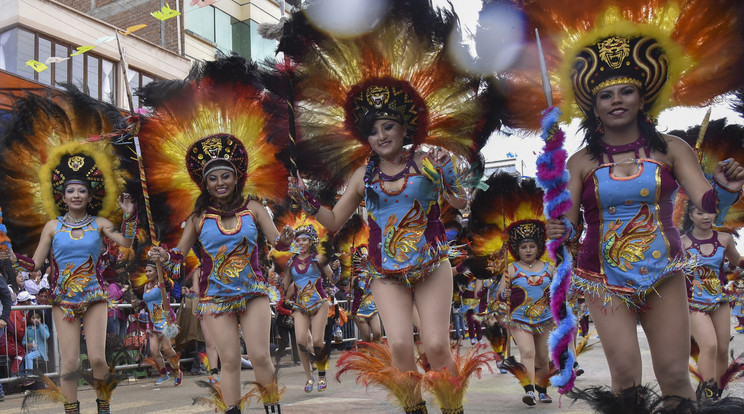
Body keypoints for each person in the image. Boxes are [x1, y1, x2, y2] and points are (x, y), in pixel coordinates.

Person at [532, 14, 744, 409]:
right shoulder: (578, 162)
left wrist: (726, 190)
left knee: (675, 374)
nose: (617, 101)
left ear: (642, 97)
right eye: (606, 95)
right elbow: (571, 225)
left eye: (626, 91)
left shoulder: (672, 148)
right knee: (626, 377)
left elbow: (708, 204)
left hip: (664, 272)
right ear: (593, 106)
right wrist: (559, 229)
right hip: (602, 278)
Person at [142, 56, 293, 414]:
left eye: (225, 176)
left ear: (236, 177)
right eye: (213, 178)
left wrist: (286, 237)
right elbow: (178, 256)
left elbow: (276, 242)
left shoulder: (254, 206)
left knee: (258, 355)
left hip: (253, 291)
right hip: (215, 297)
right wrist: (165, 257)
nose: (220, 182)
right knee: (227, 360)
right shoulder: (197, 217)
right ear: (204, 183)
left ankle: (272, 408)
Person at [0, 87, 135, 414]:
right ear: (63, 195)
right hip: (62, 297)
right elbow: (36, 262)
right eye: (70, 190)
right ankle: (71, 409)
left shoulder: (101, 223)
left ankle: (103, 406)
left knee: (99, 357)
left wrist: (129, 216)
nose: (76, 195)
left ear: (90, 196)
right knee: (70, 362)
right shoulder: (52, 227)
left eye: (81, 191)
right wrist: (16, 261)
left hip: (95, 294)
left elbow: (126, 243)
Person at [681, 203, 742, 399]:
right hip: (694, 303)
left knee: (723, 350)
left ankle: (718, 394)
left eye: (710, 211)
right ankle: (706, 390)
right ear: (690, 215)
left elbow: (737, 262)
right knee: (710, 346)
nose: (706, 216)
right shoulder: (682, 243)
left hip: (720, 300)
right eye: (700, 212)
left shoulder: (725, 239)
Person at [498, 220, 554, 405]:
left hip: (545, 319)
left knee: (543, 356)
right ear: (517, 249)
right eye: (524, 247)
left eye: (532, 246)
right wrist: (503, 294)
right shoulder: (511, 270)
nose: (528, 250)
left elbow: (561, 291)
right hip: (519, 319)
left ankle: (542, 390)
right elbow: (499, 295)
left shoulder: (549, 268)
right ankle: (529, 391)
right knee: (527, 352)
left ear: (539, 248)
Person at [282, 224, 334, 393]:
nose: (301, 242)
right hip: (300, 305)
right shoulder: (291, 262)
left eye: (304, 239)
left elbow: (333, 279)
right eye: (298, 240)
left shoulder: (318, 258)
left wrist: (340, 268)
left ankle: (321, 375)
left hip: (319, 302)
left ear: (311, 242)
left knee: (318, 341)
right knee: (300, 342)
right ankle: (309, 377)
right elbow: (284, 285)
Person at [139, 261, 182, 387]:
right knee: (153, 351)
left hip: (166, 321)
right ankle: (163, 374)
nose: (147, 273)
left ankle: (177, 371)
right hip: (153, 322)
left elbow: (171, 286)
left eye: (150, 271)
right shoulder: (146, 287)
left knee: (167, 348)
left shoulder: (163, 284)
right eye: (146, 271)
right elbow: (147, 303)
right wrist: (138, 304)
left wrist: (160, 264)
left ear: (157, 272)